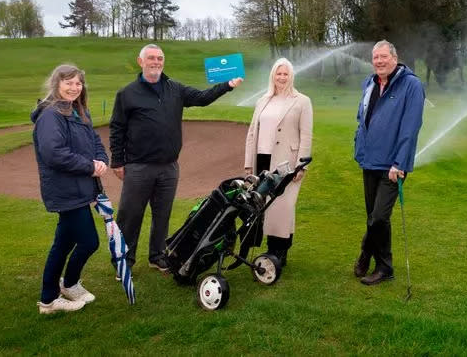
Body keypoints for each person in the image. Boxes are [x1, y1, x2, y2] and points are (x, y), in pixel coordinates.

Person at [109, 43, 243, 273]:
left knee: (162, 215)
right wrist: (118, 162)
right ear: (140, 61)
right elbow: (117, 129)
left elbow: (202, 97)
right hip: (139, 167)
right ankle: (124, 260)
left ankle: (157, 255)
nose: (156, 62)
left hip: (168, 167)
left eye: (160, 58)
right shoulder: (127, 94)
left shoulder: (175, 89)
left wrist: (228, 85)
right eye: (151, 58)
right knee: (130, 215)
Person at [32, 64, 109, 314]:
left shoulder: (79, 112)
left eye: (78, 83)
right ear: (56, 84)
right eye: (68, 83)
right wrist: (89, 166)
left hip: (80, 187)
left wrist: (100, 161)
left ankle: (50, 297)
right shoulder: (50, 116)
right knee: (89, 242)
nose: (74, 88)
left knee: (63, 243)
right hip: (66, 190)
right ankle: (66, 285)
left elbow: (95, 142)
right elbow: (54, 154)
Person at [353, 40, 424, 285]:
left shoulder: (411, 85)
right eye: (376, 58)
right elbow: (361, 118)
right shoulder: (369, 83)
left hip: (393, 165)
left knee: (380, 217)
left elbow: (411, 127)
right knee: (372, 215)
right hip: (369, 160)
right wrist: (358, 146)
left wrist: (400, 163)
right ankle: (377, 261)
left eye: (384, 57)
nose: (379, 61)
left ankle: (374, 259)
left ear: (395, 58)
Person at [244, 57, 313, 270]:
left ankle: (279, 251)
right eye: (278, 73)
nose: (281, 77)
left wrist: (302, 165)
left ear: (291, 76)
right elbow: (252, 132)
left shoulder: (301, 101)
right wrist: (248, 163)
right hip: (262, 159)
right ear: (273, 75)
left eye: (285, 74)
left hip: (286, 162)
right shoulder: (262, 100)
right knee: (264, 206)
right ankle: (273, 247)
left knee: (282, 206)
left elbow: (306, 134)